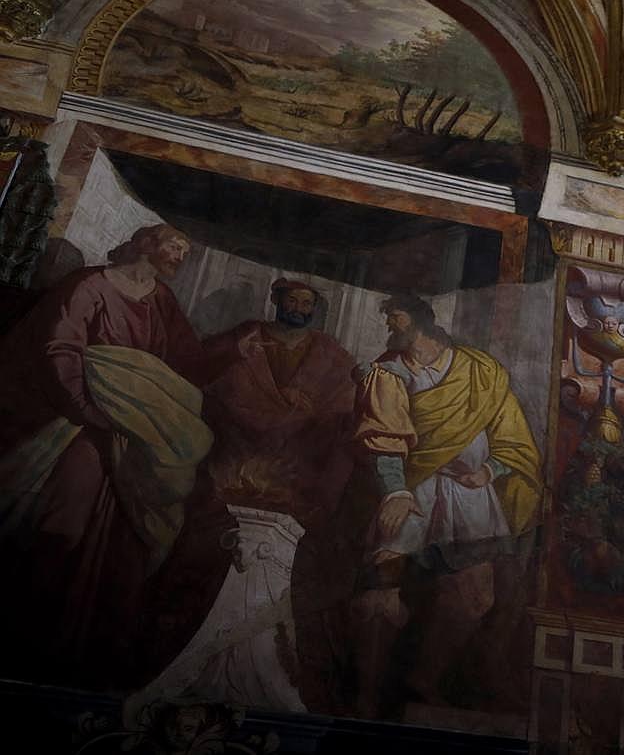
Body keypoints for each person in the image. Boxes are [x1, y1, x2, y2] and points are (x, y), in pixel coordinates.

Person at [0, 224, 260, 687]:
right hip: (81, 426)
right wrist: (92, 411)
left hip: (137, 437)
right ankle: (27, 642)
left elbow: (184, 368)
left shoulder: (161, 301)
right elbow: (58, 348)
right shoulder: (89, 286)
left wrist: (230, 351)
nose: (181, 253)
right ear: (145, 243)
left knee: (127, 545)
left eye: (185, 248)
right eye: (174, 243)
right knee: (66, 522)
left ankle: (91, 656)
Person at [346, 294, 543, 717]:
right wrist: (395, 492)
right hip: (411, 490)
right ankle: (365, 693)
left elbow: (511, 434)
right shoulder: (386, 372)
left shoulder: (481, 370)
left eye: (395, 321)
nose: (390, 330)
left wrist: (488, 471)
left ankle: (425, 680)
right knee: (382, 591)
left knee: (473, 596)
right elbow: (385, 438)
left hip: (472, 497)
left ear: (420, 323)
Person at [203, 279, 357, 525]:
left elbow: (346, 397)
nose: (298, 308)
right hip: (239, 441)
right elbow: (203, 363)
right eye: (292, 300)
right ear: (277, 300)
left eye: (306, 303)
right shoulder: (249, 333)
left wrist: (311, 406)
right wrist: (235, 351)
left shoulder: (327, 350)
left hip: (299, 448)